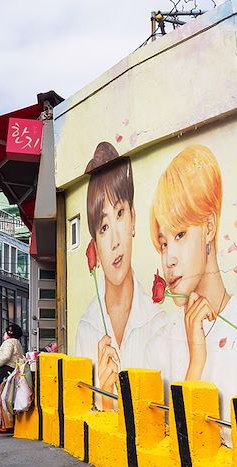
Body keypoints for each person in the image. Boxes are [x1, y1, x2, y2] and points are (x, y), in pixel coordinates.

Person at [149, 144, 237, 425]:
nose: (169, 258)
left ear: (210, 228)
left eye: (180, 234)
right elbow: (164, 437)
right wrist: (196, 363)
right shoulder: (161, 340)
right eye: (164, 243)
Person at [74, 141, 167, 410]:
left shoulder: (158, 321)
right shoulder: (87, 328)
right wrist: (103, 396)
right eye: (104, 227)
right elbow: (80, 415)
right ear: (95, 244)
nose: (115, 240)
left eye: (120, 214)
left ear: (134, 219)